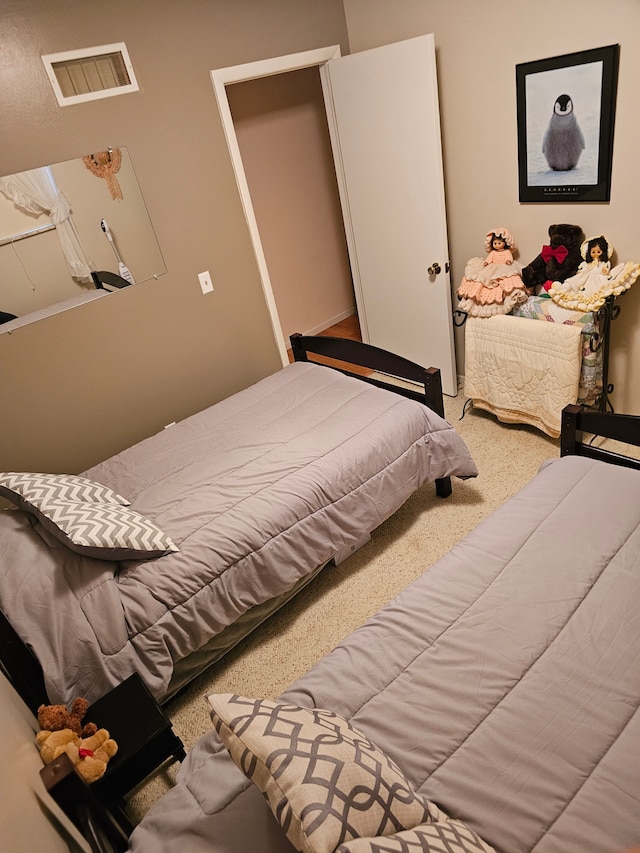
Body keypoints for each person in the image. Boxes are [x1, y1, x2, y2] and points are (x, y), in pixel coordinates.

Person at [549, 234, 640, 313]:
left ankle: (589, 299)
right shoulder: (586, 263)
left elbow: (606, 270)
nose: (596, 254)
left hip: (598, 279)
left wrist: (604, 270)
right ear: (589, 252)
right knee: (575, 281)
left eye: (598, 252)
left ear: (603, 252)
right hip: (585, 277)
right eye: (593, 252)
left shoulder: (604, 263)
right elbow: (581, 269)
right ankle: (564, 289)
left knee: (594, 289)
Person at [457, 228, 528, 317]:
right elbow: (489, 259)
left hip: (503, 267)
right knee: (485, 279)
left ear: (505, 243)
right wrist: (486, 262)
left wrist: (508, 261)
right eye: (495, 243)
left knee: (507, 278)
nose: (497, 245)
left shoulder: (507, 252)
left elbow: (509, 257)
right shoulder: (493, 253)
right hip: (492, 267)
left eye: (499, 243)